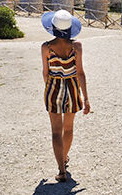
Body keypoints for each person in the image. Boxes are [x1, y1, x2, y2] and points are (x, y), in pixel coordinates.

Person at [41, 9, 91, 182]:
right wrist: (86, 98)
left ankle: (61, 170)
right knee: (68, 128)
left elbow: (45, 73)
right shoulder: (76, 46)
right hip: (72, 88)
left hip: (53, 88)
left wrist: (49, 90)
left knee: (56, 131)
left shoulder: (46, 47)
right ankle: (64, 157)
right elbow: (81, 73)